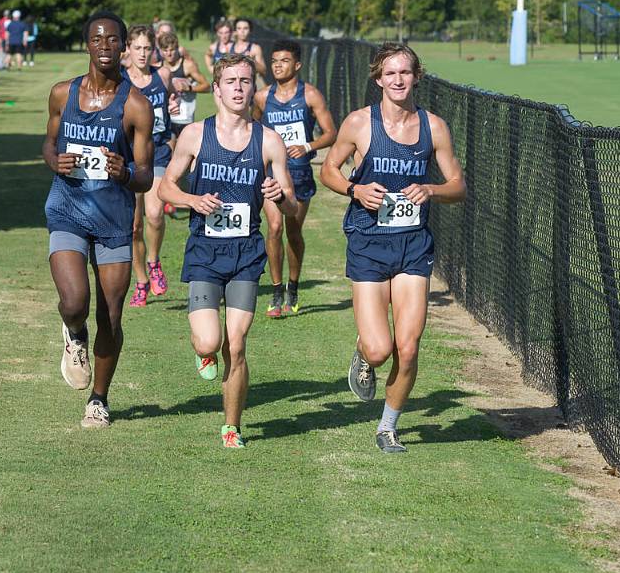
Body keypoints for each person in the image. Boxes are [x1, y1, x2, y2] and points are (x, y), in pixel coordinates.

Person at [319, 43, 466, 453]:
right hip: (368, 242)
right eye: (390, 73)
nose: (398, 80)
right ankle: (365, 355)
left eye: (405, 72)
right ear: (378, 79)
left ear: (417, 76)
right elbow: (329, 170)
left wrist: (432, 189)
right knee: (381, 347)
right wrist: (355, 188)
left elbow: (459, 186)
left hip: (413, 247)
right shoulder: (359, 123)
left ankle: (388, 427)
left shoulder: (433, 127)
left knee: (409, 344)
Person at [158, 53, 298, 449]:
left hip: (246, 254)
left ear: (254, 88)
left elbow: (290, 204)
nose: (238, 88)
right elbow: (166, 186)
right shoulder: (195, 136)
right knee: (208, 341)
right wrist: (191, 200)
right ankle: (203, 353)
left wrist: (279, 196)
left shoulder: (269, 141)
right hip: (204, 251)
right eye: (231, 81)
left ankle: (231, 426)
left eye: (245, 81)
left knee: (236, 344)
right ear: (216, 89)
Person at [43, 11, 155, 429]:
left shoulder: (137, 107)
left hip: (113, 219)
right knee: (75, 302)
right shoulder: (61, 94)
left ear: (124, 48)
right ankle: (74, 335)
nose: (105, 46)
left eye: (113, 40)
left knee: (111, 314)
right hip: (67, 210)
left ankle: (99, 399)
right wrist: (55, 160)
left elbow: (145, 176)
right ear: (86, 44)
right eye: (97, 39)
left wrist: (124, 171)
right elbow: (49, 143)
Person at [253, 38, 336, 318]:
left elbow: (330, 133)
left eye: (284, 61)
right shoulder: (262, 98)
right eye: (274, 61)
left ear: (297, 65)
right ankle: (276, 292)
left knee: (293, 232)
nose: (277, 66)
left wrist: (308, 146)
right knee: (274, 227)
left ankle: (293, 286)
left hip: (300, 175)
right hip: (271, 176)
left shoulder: (310, 95)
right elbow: (253, 129)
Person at [124, 25, 180, 307]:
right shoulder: (121, 80)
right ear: (128, 50)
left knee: (155, 215)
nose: (143, 54)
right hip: (130, 156)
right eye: (138, 48)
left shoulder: (163, 75)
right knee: (133, 226)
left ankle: (154, 261)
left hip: (157, 152)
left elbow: (172, 99)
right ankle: (141, 281)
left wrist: (174, 104)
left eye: (148, 48)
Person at [159, 29, 209, 144]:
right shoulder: (159, 67)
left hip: (185, 118)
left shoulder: (187, 65)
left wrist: (189, 88)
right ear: (161, 51)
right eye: (165, 50)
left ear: (177, 49)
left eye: (172, 50)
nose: (169, 54)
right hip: (167, 118)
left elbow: (207, 86)